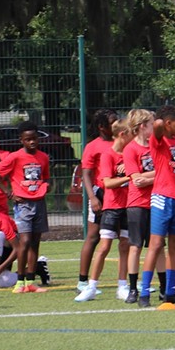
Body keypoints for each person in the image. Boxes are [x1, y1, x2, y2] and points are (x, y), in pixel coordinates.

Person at [137, 106, 175, 307]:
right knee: (156, 244)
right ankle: (144, 293)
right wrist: (161, 121)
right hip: (162, 197)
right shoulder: (159, 140)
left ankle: (170, 291)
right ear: (169, 123)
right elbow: (158, 125)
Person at [76, 118, 134, 302]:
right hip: (112, 206)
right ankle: (90, 286)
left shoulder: (130, 153)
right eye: (131, 134)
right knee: (104, 246)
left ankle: (122, 286)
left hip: (129, 205)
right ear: (123, 135)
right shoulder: (108, 155)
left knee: (125, 246)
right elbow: (108, 182)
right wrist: (129, 176)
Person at [0, 121, 51, 288]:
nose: (32, 142)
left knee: (35, 242)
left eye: (34, 138)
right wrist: (8, 192)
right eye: (28, 139)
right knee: (24, 241)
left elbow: (45, 177)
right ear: (21, 140)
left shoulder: (43, 157)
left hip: (39, 203)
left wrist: (47, 185)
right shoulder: (15, 157)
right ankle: (20, 280)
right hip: (23, 205)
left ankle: (30, 280)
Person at [121, 109, 163, 303]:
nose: (155, 127)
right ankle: (132, 289)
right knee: (135, 246)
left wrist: (150, 176)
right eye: (151, 123)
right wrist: (158, 174)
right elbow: (136, 180)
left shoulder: (158, 145)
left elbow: (167, 169)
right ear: (142, 127)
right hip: (137, 203)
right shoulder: (130, 149)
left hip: (157, 200)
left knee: (159, 246)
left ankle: (164, 288)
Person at [76, 109, 119, 292]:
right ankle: (83, 281)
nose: (117, 124)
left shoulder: (122, 142)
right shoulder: (93, 146)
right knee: (93, 237)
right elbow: (86, 174)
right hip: (101, 194)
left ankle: (127, 280)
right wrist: (93, 198)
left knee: (126, 238)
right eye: (113, 122)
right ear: (102, 127)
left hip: (120, 194)